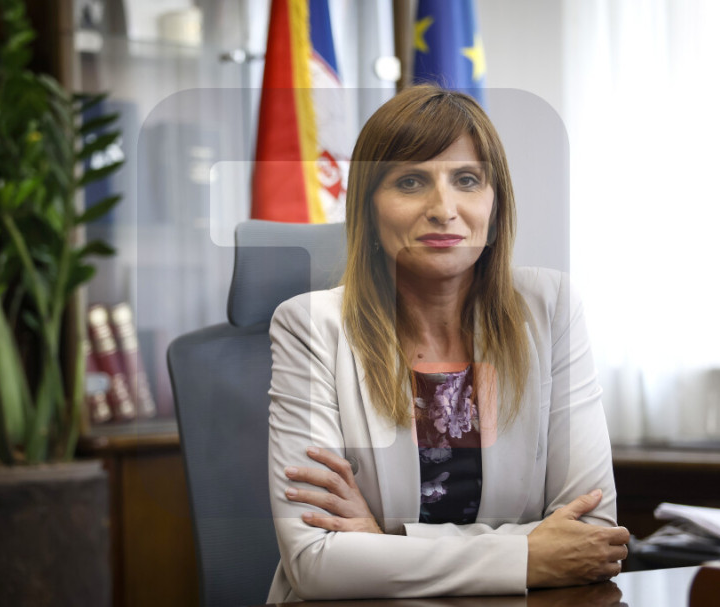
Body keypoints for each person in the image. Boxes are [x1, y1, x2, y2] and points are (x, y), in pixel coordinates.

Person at [266, 85, 629, 601]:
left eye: (467, 180)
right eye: (411, 181)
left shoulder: (551, 308)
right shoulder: (311, 326)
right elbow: (315, 563)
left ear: (495, 207)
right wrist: (527, 554)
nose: (443, 208)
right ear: (368, 210)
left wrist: (384, 543)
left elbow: (590, 535)